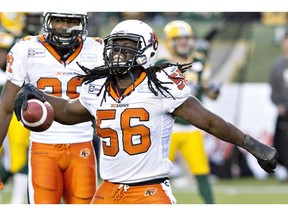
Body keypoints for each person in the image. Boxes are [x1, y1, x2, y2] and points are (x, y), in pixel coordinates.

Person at [13, 19, 278, 204]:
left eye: (126, 46)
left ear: (147, 50)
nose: (117, 53)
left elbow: (209, 122)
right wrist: (38, 94)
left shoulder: (160, 85)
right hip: (107, 191)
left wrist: (253, 146)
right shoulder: (97, 88)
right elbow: (70, 112)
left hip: (150, 192)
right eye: (115, 46)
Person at [0, 11, 104, 204]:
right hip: (43, 146)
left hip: (83, 143)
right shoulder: (26, 48)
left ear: (83, 23)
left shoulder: (98, 49)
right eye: (58, 20)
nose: (64, 27)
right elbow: (5, 107)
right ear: (47, 21)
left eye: (72, 21)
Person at [156, 20, 220, 204]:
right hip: (168, 127)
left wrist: (213, 89)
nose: (184, 43)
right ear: (170, 41)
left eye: (186, 38)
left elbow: (210, 92)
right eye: (178, 39)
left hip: (192, 127)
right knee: (156, 173)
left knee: (201, 172)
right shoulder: (162, 63)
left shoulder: (199, 61)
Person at [0, 12, 32, 203]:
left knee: (17, 161)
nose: (2, 55)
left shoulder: (14, 72)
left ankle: (17, 203)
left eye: (4, 50)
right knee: (13, 162)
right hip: (6, 119)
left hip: (14, 119)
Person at [269, 32, 288, 180]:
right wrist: (278, 104)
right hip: (284, 112)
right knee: (282, 143)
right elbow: (273, 90)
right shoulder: (278, 66)